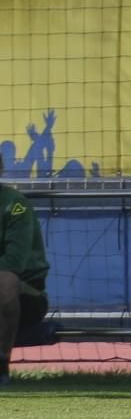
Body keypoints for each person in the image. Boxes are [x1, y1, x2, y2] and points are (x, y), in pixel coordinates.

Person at [0, 153, 50, 386]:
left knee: (5, 280)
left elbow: (13, 262)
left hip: (27, 295)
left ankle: (2, 365)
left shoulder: (14, 204)